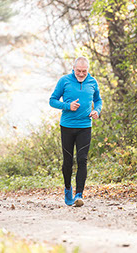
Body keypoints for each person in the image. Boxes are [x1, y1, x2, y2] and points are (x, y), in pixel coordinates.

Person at [49, 56, 102, 207]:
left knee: (82, 159)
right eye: (78, 71)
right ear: (73, 69)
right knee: (68, 161)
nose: (81, 74)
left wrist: (97, 110)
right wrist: (67, 106)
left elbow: (98, 100)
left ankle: (79, 194)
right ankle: (67, 188)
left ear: (88, 70)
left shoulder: (92, 82)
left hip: (85, 126)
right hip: (67, 126)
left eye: (84, 71)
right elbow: (52, 100)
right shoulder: (64, 81)